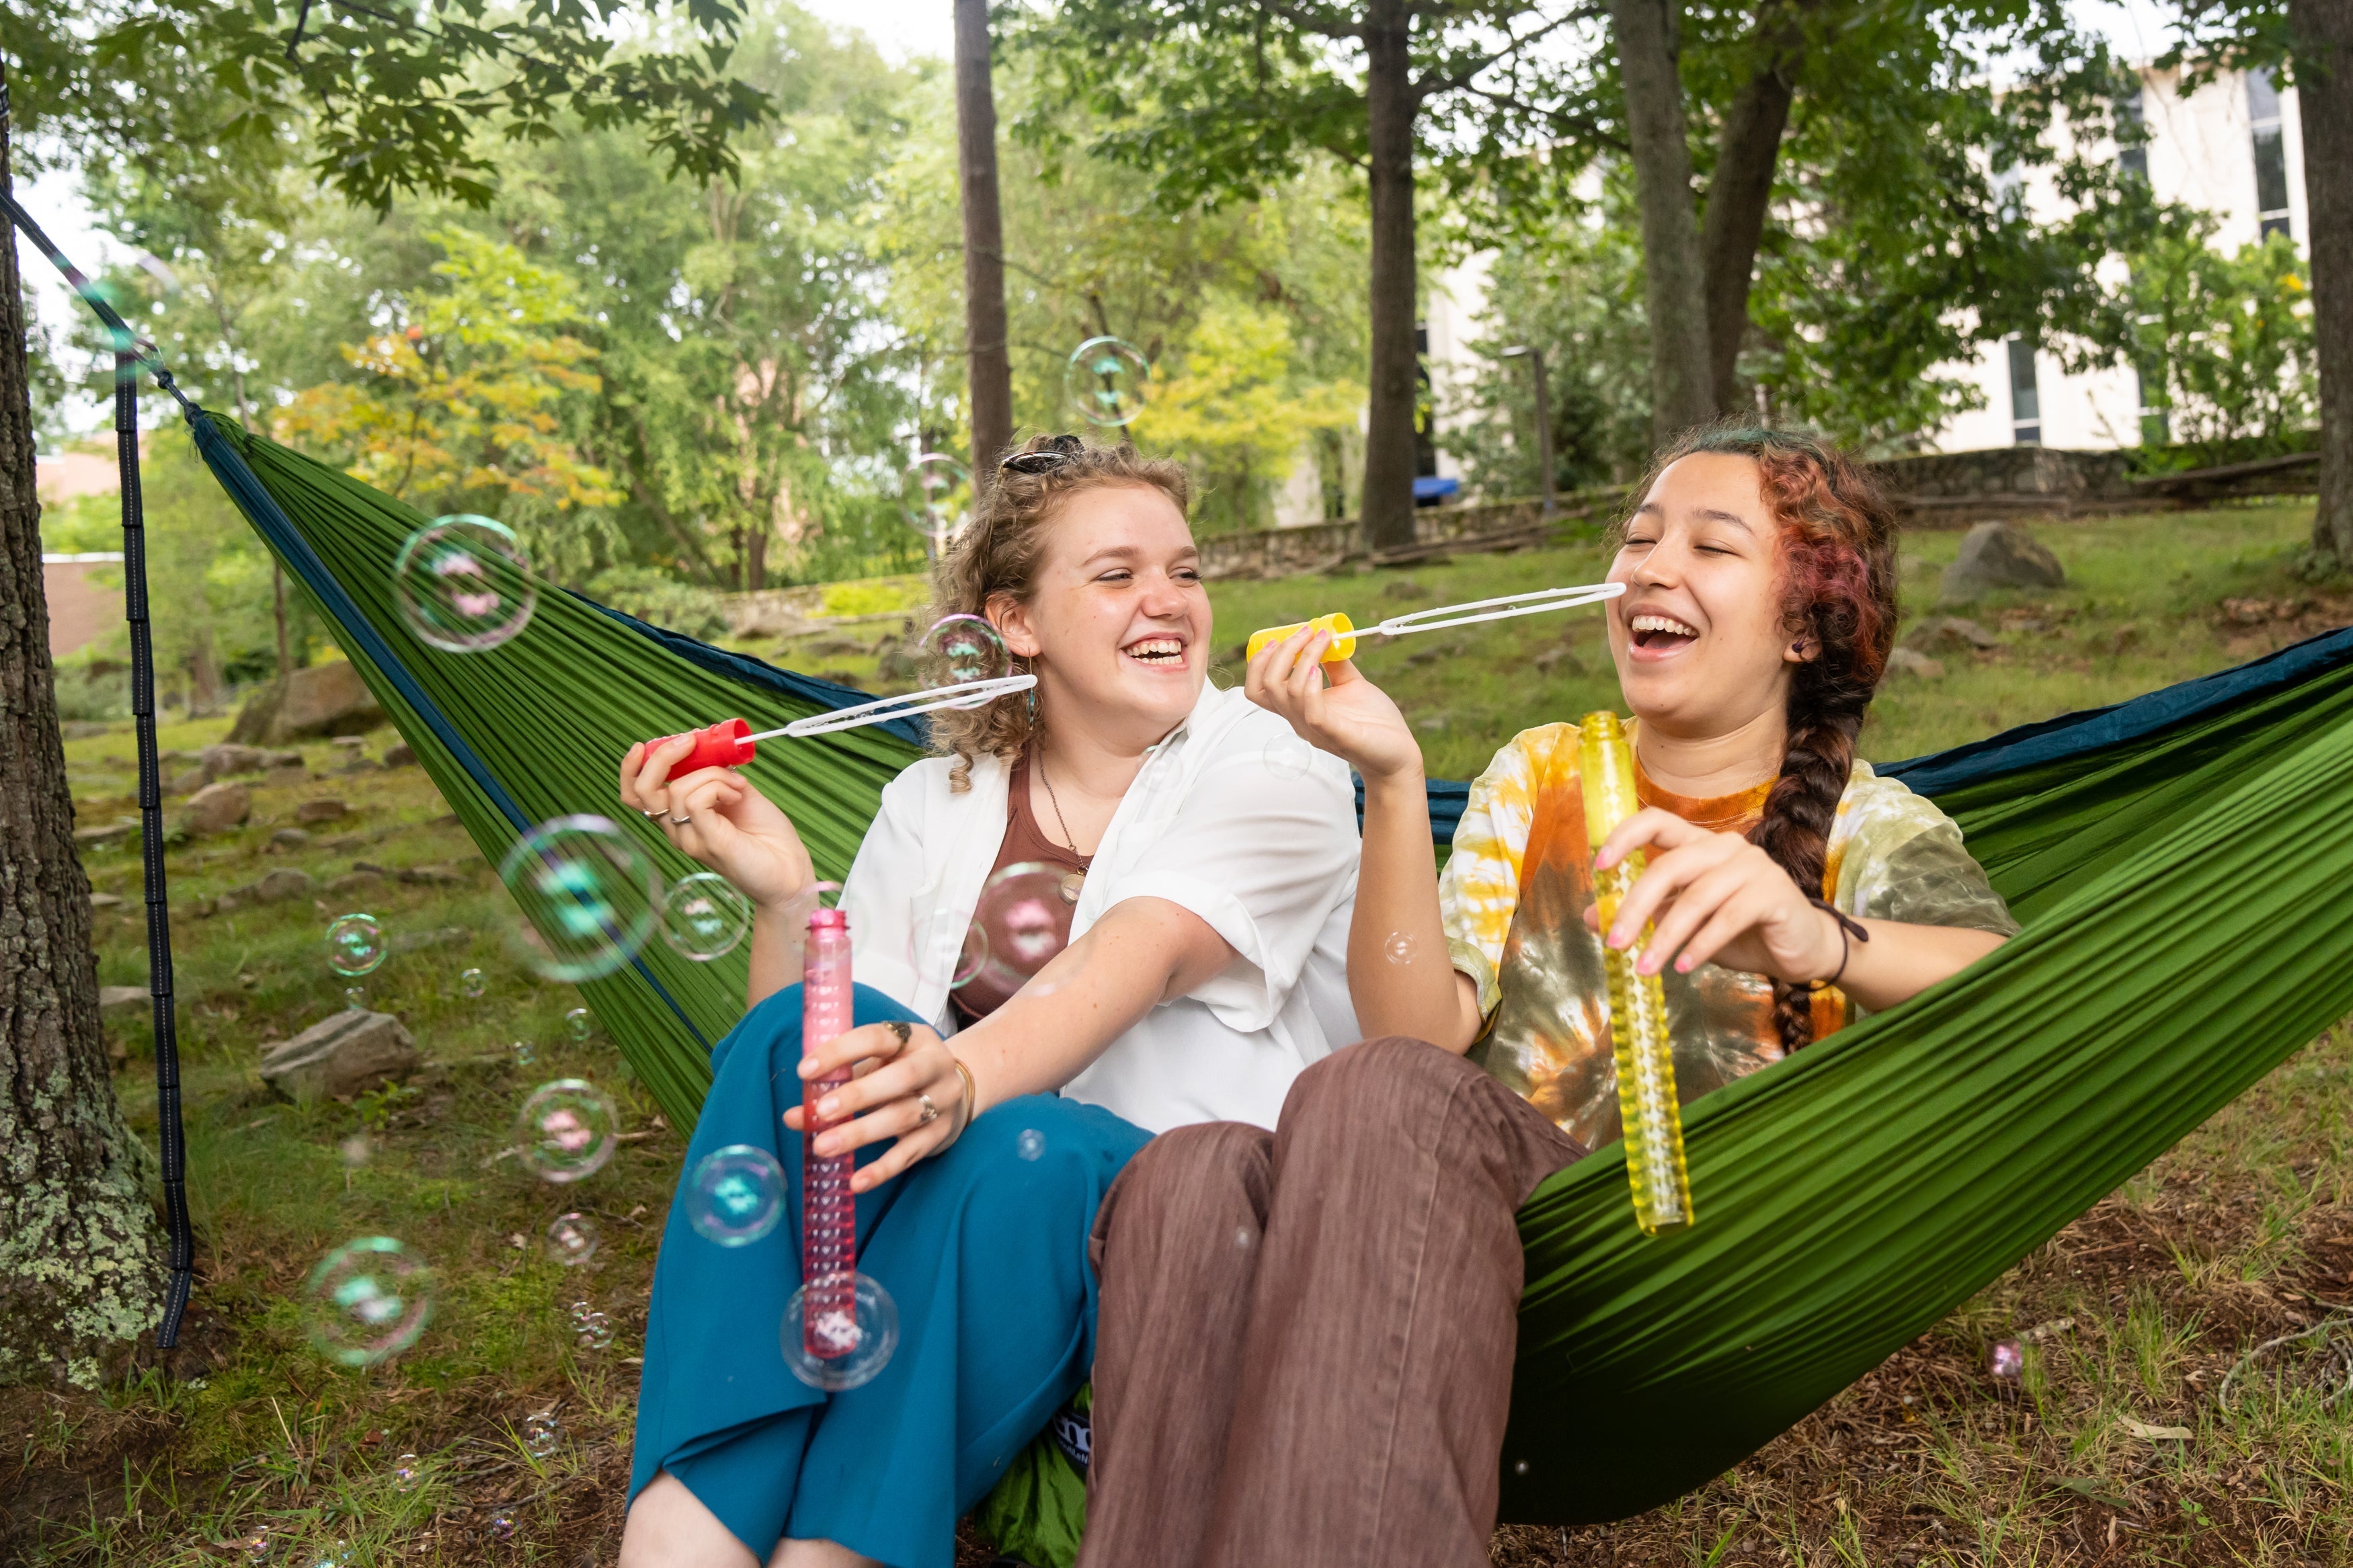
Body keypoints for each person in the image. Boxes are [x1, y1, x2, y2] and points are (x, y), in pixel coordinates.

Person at [1076, 427, 2022, 1568]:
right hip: (1464, 1223)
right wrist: (1388, 778)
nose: (1650, 567)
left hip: (1682, 1265)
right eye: (1637, 540)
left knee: (1376, 1095)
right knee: (1189, 1175)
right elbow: (1420, 1032)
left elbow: (2014, 991)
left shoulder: (1871, 828)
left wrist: (1818, 935)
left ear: (1802, 624)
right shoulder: (1539, 775)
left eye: (1711, 546)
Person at [615, 436, 1361, 1568]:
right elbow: (818, 1088)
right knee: (792, 1040)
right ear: (1015, 622)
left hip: (1191, 1228)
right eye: (1115, 575)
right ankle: (684, 1538)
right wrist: (780, 902)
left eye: (1188, 570)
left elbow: (1146, 950)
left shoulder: (1279, 765)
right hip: (976, 1231)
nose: (1168, 600)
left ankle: (828, 1555)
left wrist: (961, 1076)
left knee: (1029, 1142)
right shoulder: (937, 799)